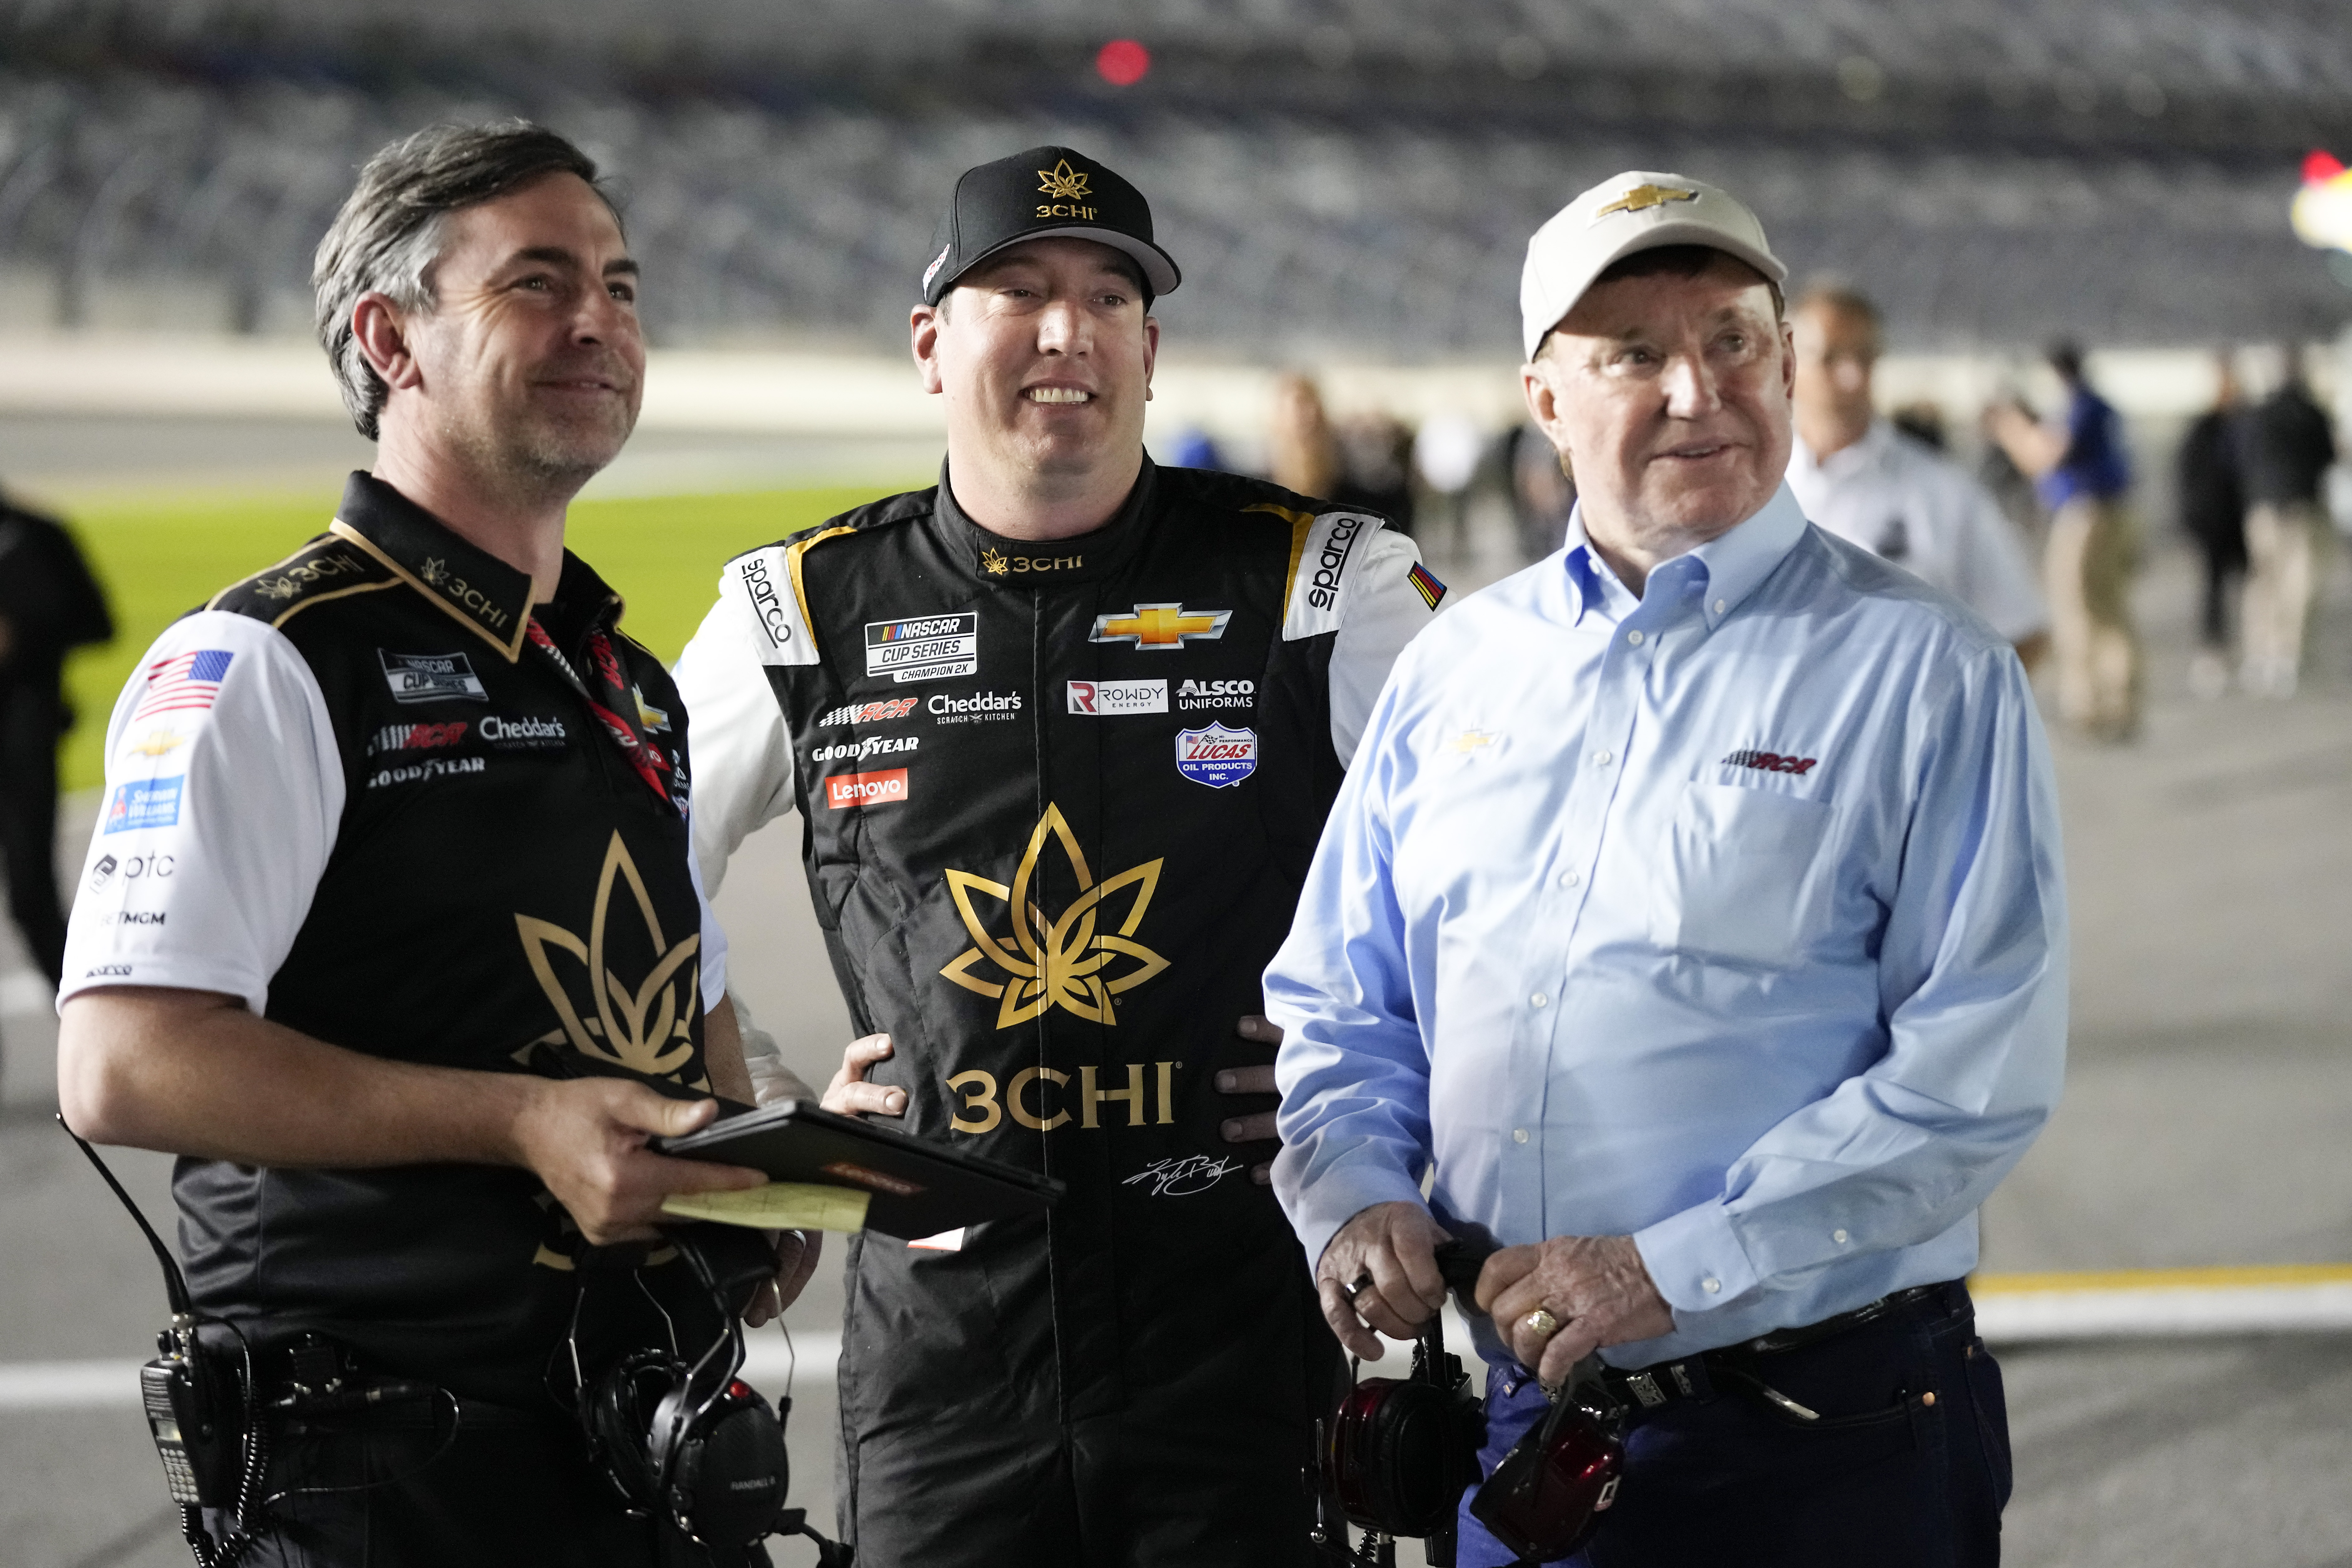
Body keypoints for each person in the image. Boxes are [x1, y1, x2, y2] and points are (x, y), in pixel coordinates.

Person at [1268, 171, 2066, 1567]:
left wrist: (1660, 1265)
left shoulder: (1925, 669)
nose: (1696, 388)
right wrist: (1355, 1188)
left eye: (1732, 340)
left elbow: (1972, 1073)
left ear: (1786, 362)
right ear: (1544, 400)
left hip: (1820, 1433)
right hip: (1523, 1425)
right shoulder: (1459, 661)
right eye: (1633, 352)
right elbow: (1343, 994)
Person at [670, 144, 1444, 1565]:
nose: (1065, 332)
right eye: (1016, 290)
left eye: (1107, 297)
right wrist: (772, 1123)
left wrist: (1390, 1083)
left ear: (1150, 349)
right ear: (929, 344)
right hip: (945, 1375)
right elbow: (617, 881)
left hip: (1242, 1354)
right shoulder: (796, 606)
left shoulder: (1324, 583)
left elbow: (1523, 864)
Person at [55, 122, 816, 1566]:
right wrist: (520, 1121)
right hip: (383, 1482)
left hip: (637, 1452)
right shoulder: (263, 661)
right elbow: (119, 1063)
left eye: (622, 283)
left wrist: (764, 1168)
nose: (600, 320)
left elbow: (685, 1012)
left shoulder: (623, 681)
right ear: (389, 339)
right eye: (539, 281)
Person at [1785, 284, 2049, 672]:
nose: (1852, 377)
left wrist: (1956, 722)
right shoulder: (1743, 492)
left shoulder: (1945, 495)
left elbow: (2021, 631)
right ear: (1784, 363)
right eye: (1830, 358)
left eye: (1864, 357)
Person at [1989, 340, 2139, 740]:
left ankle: (2090, 705)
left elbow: (2043, 459)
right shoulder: (2095, 405)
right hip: (2105, 511)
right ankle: (2117, 703)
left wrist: (2013, 428)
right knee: (2106, 606)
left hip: (2087, 513)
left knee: (2078, 608)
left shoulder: (2080, 406)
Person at [0, 494, 112, 1003]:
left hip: (25, 743)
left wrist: (22, 632)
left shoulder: (37, 535)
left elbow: (98, 623)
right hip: (29, 739)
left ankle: (89, 1024)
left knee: (33, 898)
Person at [2233, 343, 2336, 698]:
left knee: (2263, 583)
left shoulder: (2257, 414)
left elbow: (2241, 459)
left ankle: (2261, 651)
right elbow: (2327, 457)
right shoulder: (2312, 413)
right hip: (2301, 507)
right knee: (2299, 583)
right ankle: (2289, 654)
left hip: (2261, 508)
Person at [2177, 351, 2248, 698]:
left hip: (2243, 519)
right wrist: (2192, 519)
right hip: (2213, 522)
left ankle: (2255, 650)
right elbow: (2188, 477)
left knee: (2251, 589)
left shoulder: (2247, 422)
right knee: (2213, 591)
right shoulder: (2203, 429)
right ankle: (2213, 653)